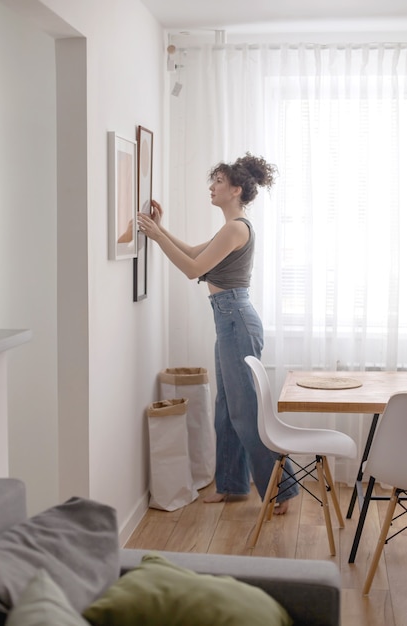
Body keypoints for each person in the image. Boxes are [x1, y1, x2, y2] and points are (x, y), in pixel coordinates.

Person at [137, 153, 299, 513]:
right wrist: (159, 229)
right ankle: (231, 484)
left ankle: (281, 489)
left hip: (235, 319)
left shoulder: (236, 228)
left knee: (244, 411)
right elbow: (197, 252)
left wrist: (155, 237)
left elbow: (192, 267)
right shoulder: (231, 227)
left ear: (236, 189)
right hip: (228, 318)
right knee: (226, 408)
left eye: (219, 183)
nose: (212, 187)